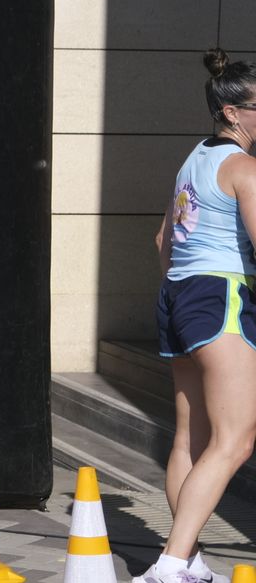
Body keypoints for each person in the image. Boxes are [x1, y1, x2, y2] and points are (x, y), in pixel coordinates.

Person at [135, 48, 256, 583]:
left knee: (192, 440)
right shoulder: (243, 167)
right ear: (233, 112)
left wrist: (180, 289)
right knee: (235, 439)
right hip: (223, 296)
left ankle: (186, 558)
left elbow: (164, 238)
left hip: (181, 294)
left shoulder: (195, 158)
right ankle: (171, 563)